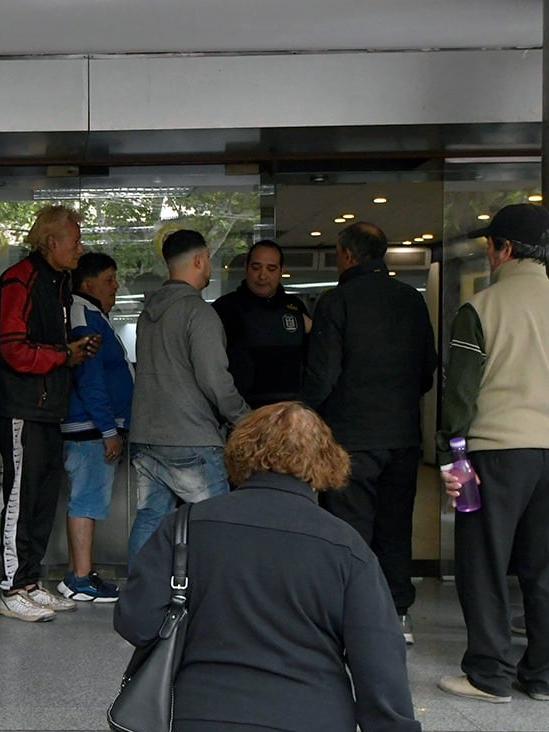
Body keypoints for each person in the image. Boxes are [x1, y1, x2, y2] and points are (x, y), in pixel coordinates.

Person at [116, 402, 439, 732]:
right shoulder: (347, 548)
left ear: (242, 453)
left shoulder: (186, 528)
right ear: (325, 462)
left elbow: (136, 623)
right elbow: (381, 674)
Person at [438, 203, 549, 703]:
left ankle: (488, 675)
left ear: (503, 249)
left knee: (484, 563)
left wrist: (453, 455)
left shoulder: (482, 309)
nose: (488, 255)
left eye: (490, 246)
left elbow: (460, 394)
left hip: (497, 454)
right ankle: (543, 677)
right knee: (547, 568)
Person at [302, 221, 436, 645]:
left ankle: (350, 616)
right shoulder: (411, 301)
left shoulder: (336, 302)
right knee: (395, 526)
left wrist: (306, 411)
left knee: (349, 527)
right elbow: (427, 370)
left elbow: (323, 375)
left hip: (350, 437)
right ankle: (397, 613)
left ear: (346, 254)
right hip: (402, 435)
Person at [0, 205, 99, 623]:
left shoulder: (58, 282)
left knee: (43, 498)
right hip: (21, 407)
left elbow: (41, 347)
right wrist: (62, 354)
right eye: (75, 239)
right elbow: (11, 349)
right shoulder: (20, 279)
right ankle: (11, 588)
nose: (80, 247)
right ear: (52, 242)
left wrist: (73, 352)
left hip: (49, 407)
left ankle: (30, 582)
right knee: (21, 497)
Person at [127, 229, 248, 564]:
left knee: (150, 519)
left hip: (147, 436)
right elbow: (214, 380)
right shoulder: (198, 313)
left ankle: (139, 598)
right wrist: (246, 419)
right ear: (200, 259)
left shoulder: (148, 314)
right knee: (215, 525)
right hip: (191, 437)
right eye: (208, 259)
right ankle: (218, 600)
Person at [58, 252, 133, 602]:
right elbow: (90, 379)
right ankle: (81, 580)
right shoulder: (84, 316)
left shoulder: (90, 314)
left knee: (86, 500)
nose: (115, 286)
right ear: (87, 284)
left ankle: (77, 573)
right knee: (87, 502)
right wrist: (107, 430)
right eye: (109, 279)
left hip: (91, 427)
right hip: (89, 429)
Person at [212, 239, 310, 408]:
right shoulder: (225, 308)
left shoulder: (295, 307)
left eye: (271, 269)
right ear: (246, 268)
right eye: (256, 268)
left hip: (290, 411)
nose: (262, 275)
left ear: (281, 271)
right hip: (242, 412)